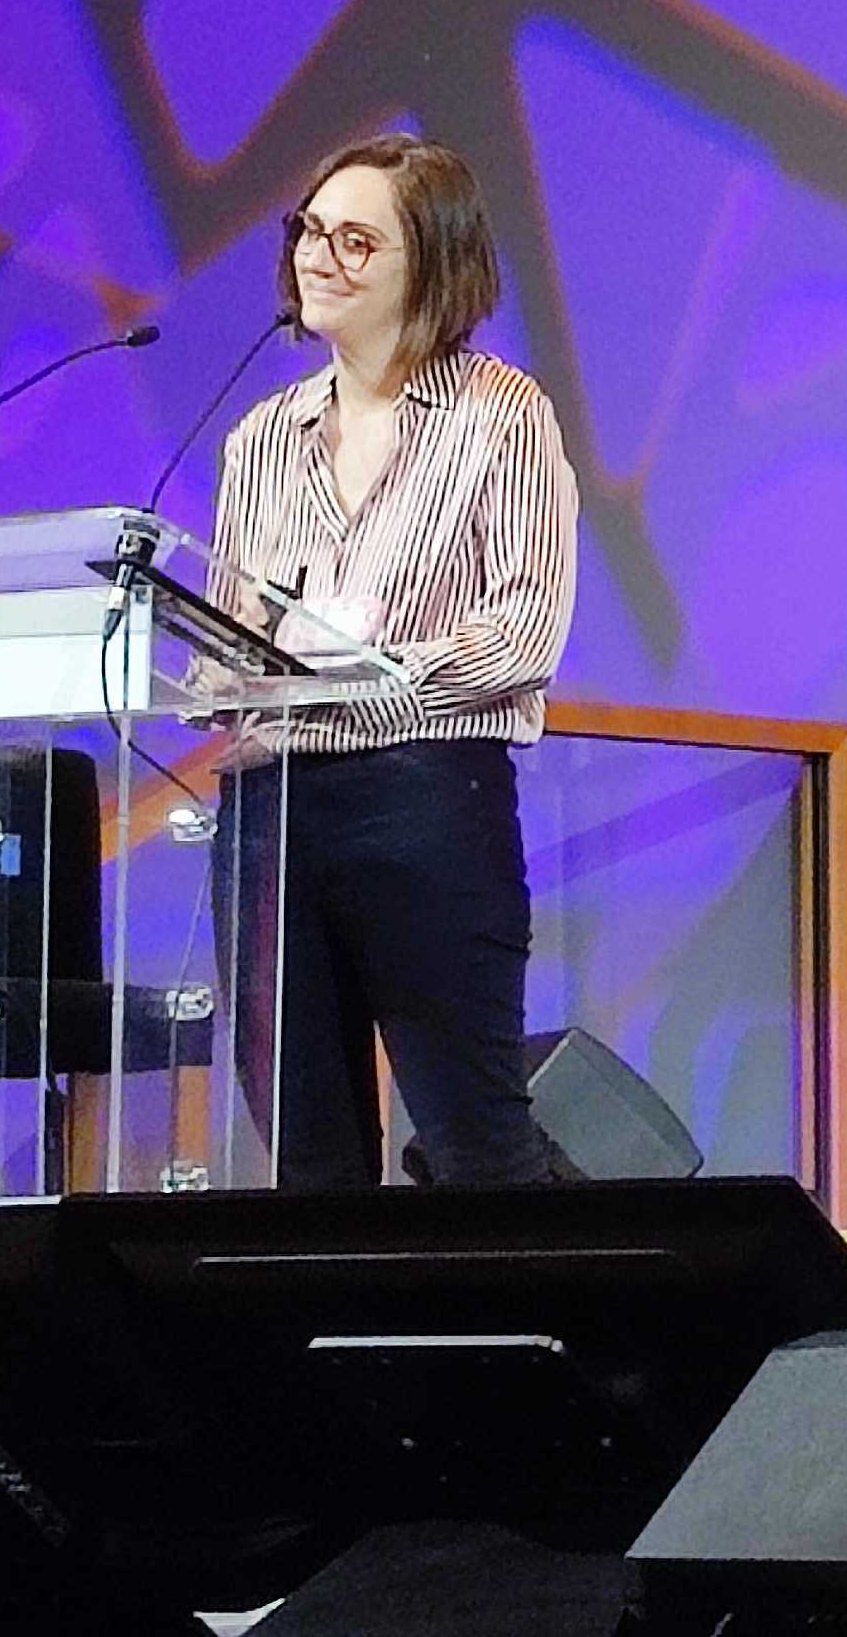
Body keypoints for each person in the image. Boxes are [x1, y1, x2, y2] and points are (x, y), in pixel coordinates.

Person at [211, 135, 585, 1193]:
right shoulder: (260, 438)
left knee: (473, 1143)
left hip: (423, 792)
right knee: (309, 1163)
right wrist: (209, 672)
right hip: (268, 813)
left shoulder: (501, 417)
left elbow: (521, 632)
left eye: (354, 240)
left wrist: (367, 672)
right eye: (307, 232)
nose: (316, 258)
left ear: (431, 265)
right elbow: (237, 626)